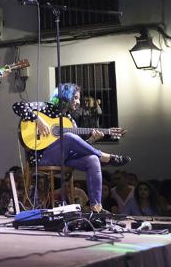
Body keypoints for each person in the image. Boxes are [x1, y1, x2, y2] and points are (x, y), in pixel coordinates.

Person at [12, 83, 131, 212]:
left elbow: (78, 148)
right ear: (65, 96)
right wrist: (38, 120)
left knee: (92, 159)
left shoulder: (69, 120)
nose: (78, 102)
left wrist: (91, 139)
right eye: (75, 98)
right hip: (42, 157)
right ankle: (105, 156)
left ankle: (96, 207)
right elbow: (18, 106)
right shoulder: (45, 108)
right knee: (68, 137)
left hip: (64, 158)